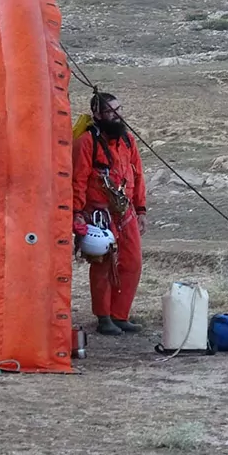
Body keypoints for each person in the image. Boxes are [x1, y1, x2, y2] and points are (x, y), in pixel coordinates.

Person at [71, 92, 148, 336]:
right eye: (110, 112)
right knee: (103, 265)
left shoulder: (127, 141)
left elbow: (137, 175)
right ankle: (104, 317)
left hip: (125, 212)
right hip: (97, 214)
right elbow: (78, 179)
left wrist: (141, 208)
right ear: (97, 115)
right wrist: (77, 213)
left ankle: (120, 314)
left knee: (132, 262)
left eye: (119, 110)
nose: (117, 115)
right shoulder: (86, 143)